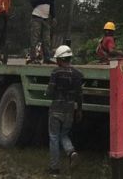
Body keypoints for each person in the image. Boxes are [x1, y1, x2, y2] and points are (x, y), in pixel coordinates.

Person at [45, 45, 82, 175]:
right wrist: (79, 110)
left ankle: (54, 168)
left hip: (56, 109)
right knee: (64, 135)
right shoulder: (78, 74)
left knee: (54, 137)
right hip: (70, 110)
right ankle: (71, 152)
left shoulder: (56, 72)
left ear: (60, 60)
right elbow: (79, 94)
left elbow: (50, 91)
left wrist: (48, 93)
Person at [29, 0, 56, 64]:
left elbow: (52, 6)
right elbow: (33, 3)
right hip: (36, 17)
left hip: (46, 19)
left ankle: (47, 58)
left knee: (46, 40)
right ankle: (33, 58)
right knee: (35, 39)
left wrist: (54, 17)